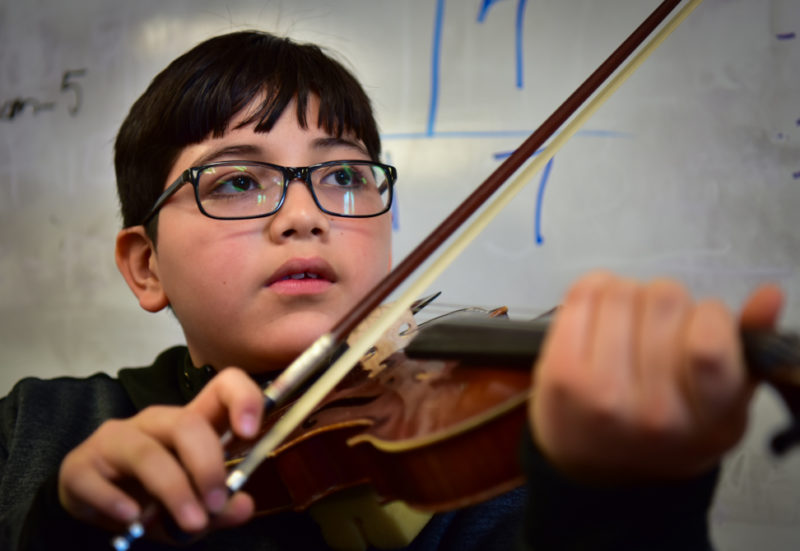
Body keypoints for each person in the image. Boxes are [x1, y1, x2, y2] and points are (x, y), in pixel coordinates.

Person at [0, 30, 784, 551]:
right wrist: (68, 533)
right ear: (145, 265)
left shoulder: (488, 475)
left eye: (343, 175)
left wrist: (623, 502)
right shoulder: (35, 429)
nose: (306, 217)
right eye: (238, 181)